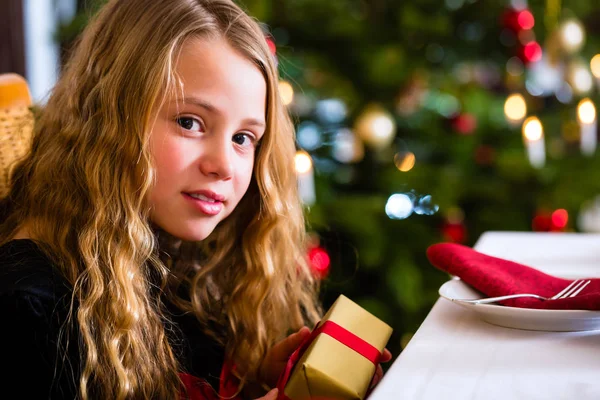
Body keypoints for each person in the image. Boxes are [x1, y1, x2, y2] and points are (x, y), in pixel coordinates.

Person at [0, 0, 390, 399]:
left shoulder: (184, 265)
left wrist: (258, 380)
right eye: (189, 122)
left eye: (243, 138)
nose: (223, 165)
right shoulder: (29, 305)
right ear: (107, 118)